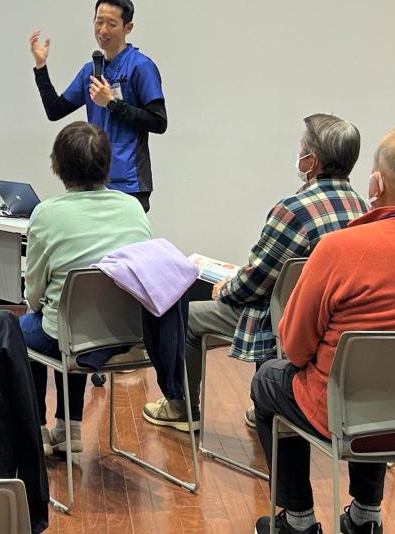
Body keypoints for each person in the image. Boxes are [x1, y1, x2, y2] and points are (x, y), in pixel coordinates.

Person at [142, 114, 368, 433]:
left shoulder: (294, 210)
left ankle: (182, 408)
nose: (298, 153)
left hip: (281, 318)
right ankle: (265, 406)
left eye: (301, 147)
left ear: (311, 161)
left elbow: (256, 281)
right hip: (328, 319)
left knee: (187, 318)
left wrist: (225, 289)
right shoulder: (362, 209)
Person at [251, 123, 395, 534]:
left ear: (376, 185)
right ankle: (366, 517)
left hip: (344, 413)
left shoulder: (341, 248)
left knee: (269, 379)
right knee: (389, 379)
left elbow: (294, 348)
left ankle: (297, 521)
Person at [22, 122, 151, 455]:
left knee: (27, 329)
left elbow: (33, 296)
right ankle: (70, 428)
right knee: (75, 322)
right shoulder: (133, 207)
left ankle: (36, 429)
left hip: (71, 337)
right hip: (129, 335)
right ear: (107, 163)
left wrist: (40, 305)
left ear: (58, 165)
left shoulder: (46, 214)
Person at [30, 0, 166, 212]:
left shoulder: (141, 66)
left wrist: (112, 103)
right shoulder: (91, 70)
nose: (103, 30)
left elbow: (158, 122)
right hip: (93, 183)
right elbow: (54, 111)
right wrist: (41, 67)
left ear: (128, 28)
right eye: (99, 22)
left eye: (111, 24)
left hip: (129, 184)